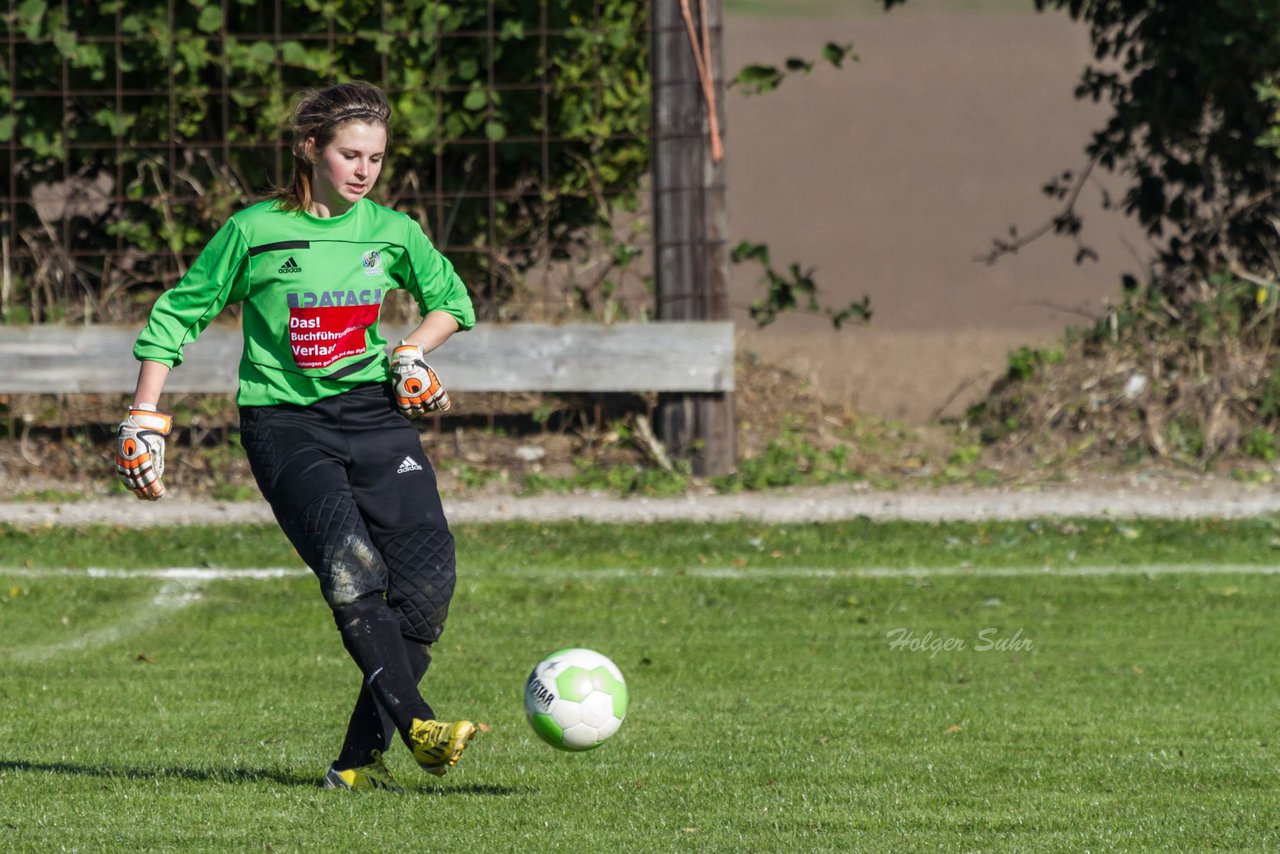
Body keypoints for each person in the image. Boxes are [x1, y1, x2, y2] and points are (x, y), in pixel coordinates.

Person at [114, 81, 478, 791]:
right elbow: (175, 317)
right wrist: (144, 416)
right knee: (352, 569)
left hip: (374, 416)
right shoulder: (254, 231)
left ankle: (353, 764)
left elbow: (453, 303)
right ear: (309, 148)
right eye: (350, 153)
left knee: (427, 586)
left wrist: (412, 352)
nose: (365, 169)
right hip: (286, 425)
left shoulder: (393, 230)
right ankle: (419, 726)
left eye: (375, 156)